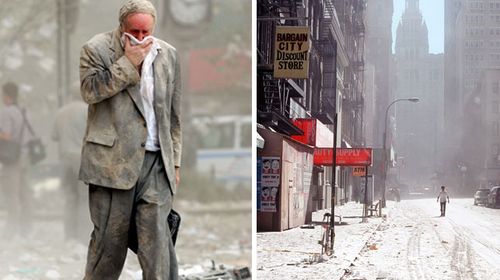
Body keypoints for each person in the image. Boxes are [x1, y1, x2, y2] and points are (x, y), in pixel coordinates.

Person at [79, 0, 182, 278]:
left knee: (158, 244)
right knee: (108, 248)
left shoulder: (168, 55)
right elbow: (90, 91)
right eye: (133, 31)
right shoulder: (96, 49)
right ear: (121, 25)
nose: (140, 38)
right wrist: (128, 63)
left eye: (145, 31)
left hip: (157, 163)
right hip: (111, 165)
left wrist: (175, 163)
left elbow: (173, 116)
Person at [51, 94, 91, 244]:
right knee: (84, 197)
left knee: (70, 197)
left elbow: (54, 136)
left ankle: (69, 236)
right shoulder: (87, 110)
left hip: (65, 159)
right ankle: (83, 236)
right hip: (81, 157)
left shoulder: (61, 112)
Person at [0, 82, 33, 238]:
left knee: (11, 194)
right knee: (25, 194)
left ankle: (11, 230)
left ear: (6, 95)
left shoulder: (6, 112)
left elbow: (6, 135)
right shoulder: (25, 111)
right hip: (25, 156)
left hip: (12, 158)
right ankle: (26, 229)